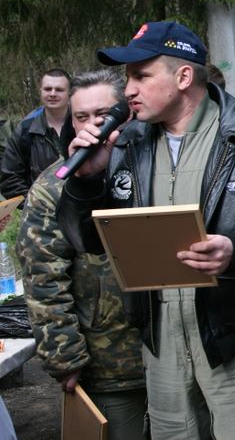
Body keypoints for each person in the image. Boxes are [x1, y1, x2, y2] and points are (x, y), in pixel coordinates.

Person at [57, 21, 235, 439]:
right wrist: (86, 181)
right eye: (128, 77)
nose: (128, 90)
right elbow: (87, 241)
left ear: (184, 76)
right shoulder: (126, 144)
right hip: (162, 346)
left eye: (141, 76)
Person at [18, 69, 146, 440]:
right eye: (82, 116)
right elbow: (43, 277)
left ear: (126, 114)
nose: (93, 125)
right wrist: (64, 356)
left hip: (171, 357)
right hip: (106, 363)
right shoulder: (53, 185)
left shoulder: (153, 166)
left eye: (103, 115)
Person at [0, 69, 75, 200]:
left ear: (70, 93)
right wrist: (36, 205)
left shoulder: (83, 124)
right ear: (40, 91)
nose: (52, 94)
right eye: (47, 89)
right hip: (42, 210)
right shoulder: (25, 130)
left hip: (82, 206)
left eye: (59, 90)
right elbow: (10, 178)